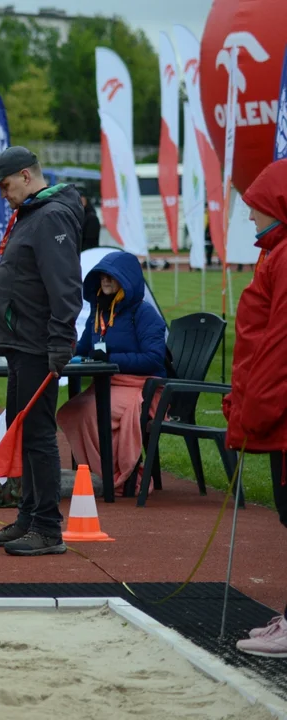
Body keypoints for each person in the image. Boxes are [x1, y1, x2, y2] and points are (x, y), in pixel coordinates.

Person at [0, 146, 83, 557]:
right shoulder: (32, 214)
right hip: (20, 341)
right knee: (22, 431)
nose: (2, 195)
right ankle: (28, 516)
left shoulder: (52, 216)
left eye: (5, 185)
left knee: (39, 435)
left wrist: (60, 342)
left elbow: (65, 287)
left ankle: (47, 527)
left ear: (26, 176)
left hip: (38, 344)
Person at [222, 159, 287, 658]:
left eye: (255, 208)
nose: (249, 218)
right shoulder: (276, 255)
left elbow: (278, 348)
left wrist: (251, 413)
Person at [57, 251, 167, 495]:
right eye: (102, 276)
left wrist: (110, 359)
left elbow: (153, 358)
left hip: (142, 388)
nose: (105, 280)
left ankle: (121, 475)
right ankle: (103, 471)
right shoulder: (98, 311)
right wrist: (61, 347)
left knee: (92, 411)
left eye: (111, 276)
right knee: (71, 411)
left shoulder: (144, 313)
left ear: (127, 279)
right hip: (108, 385)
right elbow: (83, 348)